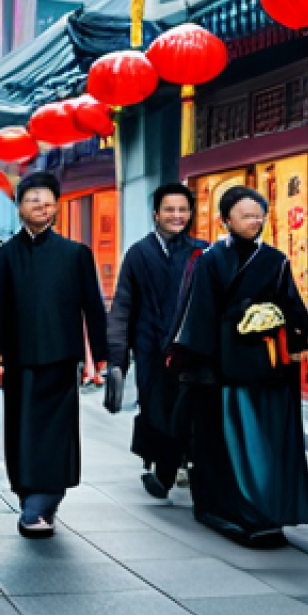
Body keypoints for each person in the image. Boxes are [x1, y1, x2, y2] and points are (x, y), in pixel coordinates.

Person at [171, 185, 308, 548]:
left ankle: (270, 510)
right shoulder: (209, 260)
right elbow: (200, 314)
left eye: (259, 215)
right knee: (234, 441)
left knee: (269, 441)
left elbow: (295, 309)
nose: (255, 221)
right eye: (247, 215)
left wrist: (287, 331)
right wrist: (201, 364)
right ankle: (237, 510)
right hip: (226, 366)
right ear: (226, 220)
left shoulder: (275, 260)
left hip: (268, 366)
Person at [0, 171, 108, 539]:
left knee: (56, 433)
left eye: (49, 202)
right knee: (22, 430)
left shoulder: (76, 254)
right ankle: (29, 495)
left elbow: (92, 307)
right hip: (18, 359)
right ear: (19, 208)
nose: (42, 208)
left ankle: (43, 501)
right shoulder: (4, 256)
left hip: (62, 358)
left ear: (57, 208)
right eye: (33, 201)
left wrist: (104, 357)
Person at [105, 183, 207, 499]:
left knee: (187, 410)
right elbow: (122, 306)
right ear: (155, 214)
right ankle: (162, 468)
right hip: (149, 349)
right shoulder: (139, 253)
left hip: (189, 351)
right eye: (169, 210)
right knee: (155, 409)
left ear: (190, 214)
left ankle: (176, 467)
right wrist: (117, 358)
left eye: (182, 210)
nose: (176, 216)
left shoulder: (201, 252)